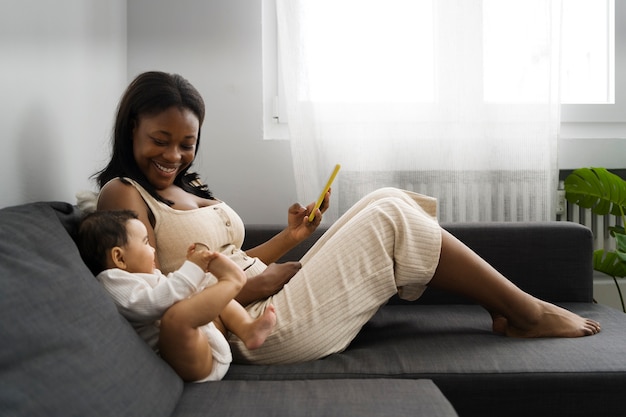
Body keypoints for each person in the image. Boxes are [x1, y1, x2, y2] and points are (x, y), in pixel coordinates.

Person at [88, 71, 600, 366]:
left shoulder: (180, 187)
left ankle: (515, 310)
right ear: (132, 127)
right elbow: (155, 304)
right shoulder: (123, 195)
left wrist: (290, 238)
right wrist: (252, 285)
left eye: (186, 144)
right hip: (247, 331)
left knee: (385, 199)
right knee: (390, 220)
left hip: (262, 296)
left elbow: (229, 260)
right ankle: (527, 314)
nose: (174, 156)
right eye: (160, 140)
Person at [77, 209, 276, 381]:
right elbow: (152, 304)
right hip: (182, 364)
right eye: (146, 243)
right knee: (176, 318)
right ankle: (233, 281)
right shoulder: (112, 281)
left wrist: (195, 268)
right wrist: (192, 269)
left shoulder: (146, 276)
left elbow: (172, 290)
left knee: (204, 293)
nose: (153, 249)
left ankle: (247, 329)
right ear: (119, 257)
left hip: (201, 343)